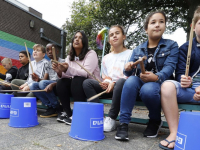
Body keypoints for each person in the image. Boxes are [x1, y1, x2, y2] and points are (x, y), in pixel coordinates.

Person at [115, 10, 179, 141]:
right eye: (153, 22)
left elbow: (169, 67)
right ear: (146, 29)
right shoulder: (138, 49)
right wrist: (128, 67)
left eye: (161, 22)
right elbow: (128, 72)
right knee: (131, 80)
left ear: (165, 26)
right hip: (141, 83)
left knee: (148, 88)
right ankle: (123, 123)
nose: (157, 25)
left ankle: (155, 120)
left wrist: (156, 77)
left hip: (160, 84)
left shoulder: (172, 45)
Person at [159, 6, 200, 150]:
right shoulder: (185, 48)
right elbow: (181, 74)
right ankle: (175, 133)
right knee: (167, 86)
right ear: (193, 26)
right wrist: (186, 82)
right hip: (190, 92)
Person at [83, 25, 132, 132]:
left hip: (121, 87)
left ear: (124, 36)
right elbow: (106, 76)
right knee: (87, 83)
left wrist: (114, 82)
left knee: (120, 82)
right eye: (111, 35)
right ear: (109, 40)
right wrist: (106, 82)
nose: (114, 36)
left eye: (117, 33)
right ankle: (99, 116)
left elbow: (131, 75)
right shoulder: (106, 58)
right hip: (108, 88)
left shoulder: (131, 54)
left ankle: (111, 118)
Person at [52, 31, 101, 125]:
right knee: (61, 82)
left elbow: (86, 73)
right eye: (75, 37)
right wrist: (59, 70)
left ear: (84, 41)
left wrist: (67, 68)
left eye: (80, 37)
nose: (77, 39)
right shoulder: (70, 56)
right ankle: (68, 113)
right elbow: (67, 75)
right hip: (76, 87)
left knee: (77, 79)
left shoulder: (91, 54)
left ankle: (79, 113)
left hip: (91, 86)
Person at [29, 43, 65, 118]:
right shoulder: (48, 64)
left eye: (52, 49)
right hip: (49, 85)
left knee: (43, 83)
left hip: (61, 85)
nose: (49, 52)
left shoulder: (63, 61)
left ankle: (57, 107)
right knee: (33, 86)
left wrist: (52, 84)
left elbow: (66, 79)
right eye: (47, 50)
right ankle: (50, 107)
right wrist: (38, 79)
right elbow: (44, 80)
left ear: (57, 51)